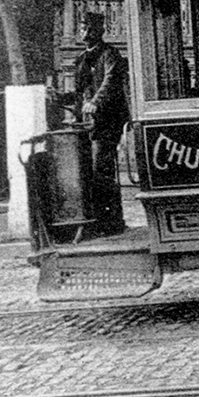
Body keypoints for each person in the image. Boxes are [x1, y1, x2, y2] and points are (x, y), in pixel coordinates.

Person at [74, 12, 131, 236]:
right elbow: (79, 91)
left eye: (90, 28)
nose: (85, 32)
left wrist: (95, 102)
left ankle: (110, 223)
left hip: (107, 121)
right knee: (88, 171)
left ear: (100, 31)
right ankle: (95, 221)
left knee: (102, 170)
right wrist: (62, 97)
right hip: (88, 124)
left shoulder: (110, 54)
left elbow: (110, 81)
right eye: (82, 28)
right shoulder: (81, 59)